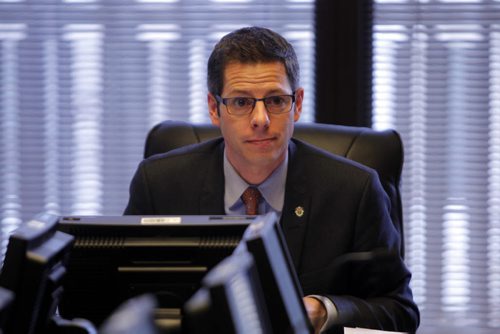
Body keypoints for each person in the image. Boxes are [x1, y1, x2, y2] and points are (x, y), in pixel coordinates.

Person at [124, 26, 419, 333]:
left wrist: (326, 310)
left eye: (276, 101)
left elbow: (400, 311)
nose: (261, 120)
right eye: (241, 102)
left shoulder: (354, 191)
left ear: (298, 103)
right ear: (214, 108)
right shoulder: (159, 184)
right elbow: (121, 301)